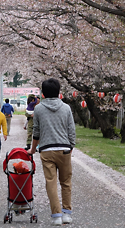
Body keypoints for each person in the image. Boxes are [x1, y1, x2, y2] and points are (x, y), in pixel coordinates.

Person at [29, 79, 76, 226]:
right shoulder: (66, 108)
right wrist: (71, 146)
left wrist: (32, 149)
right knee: (66, 182)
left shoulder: (38, 109)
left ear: (43, 93)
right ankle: (67, 214)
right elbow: (71, 130)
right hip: (64, 149)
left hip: (47, 150)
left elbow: (36, 131)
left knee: (51, 182)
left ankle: (56, 215)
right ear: (59, 92)